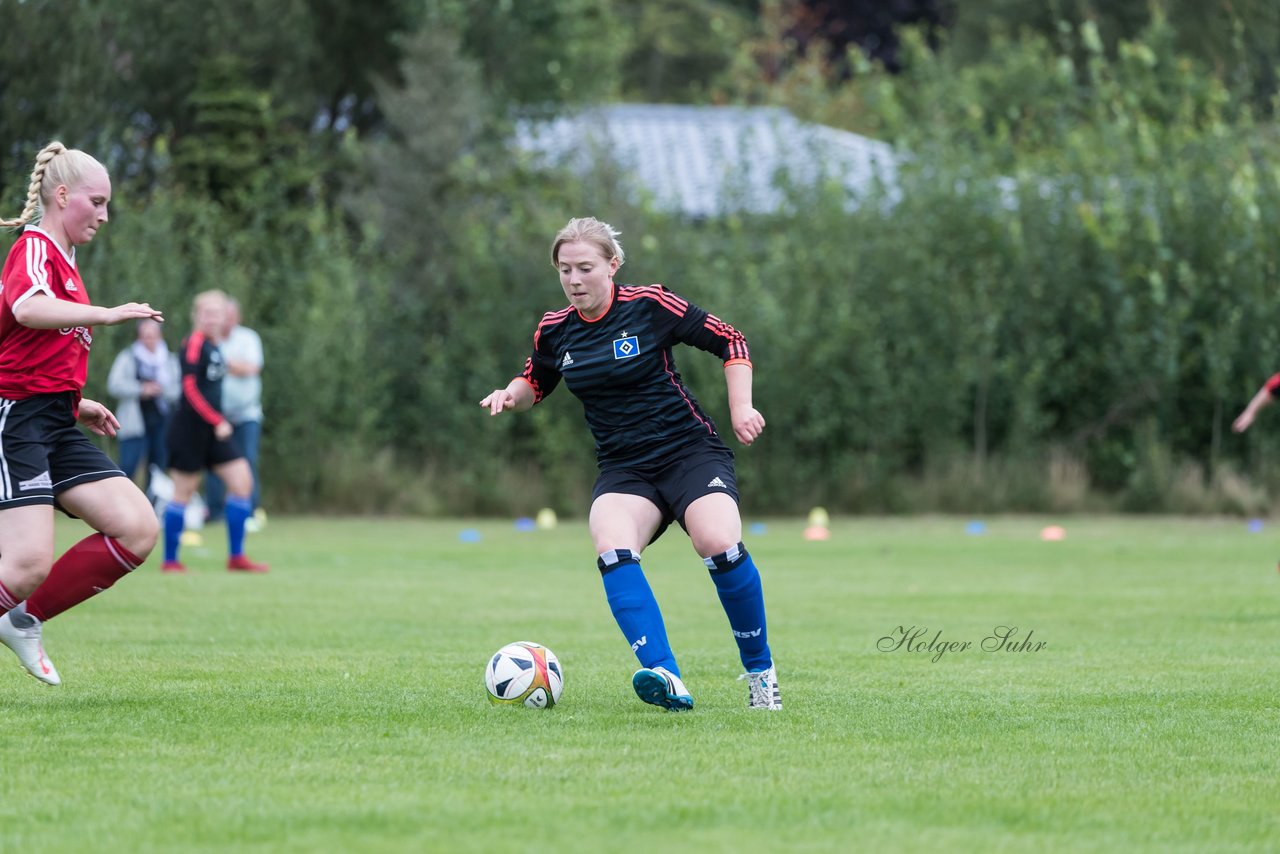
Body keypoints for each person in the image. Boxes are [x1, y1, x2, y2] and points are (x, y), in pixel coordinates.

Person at [480, 217, 780, 711]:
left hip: (688, 452)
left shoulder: (649, 304)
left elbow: (730, 339)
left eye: (585, 268)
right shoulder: (555, 330)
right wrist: (508, 397)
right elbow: (534, 380)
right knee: (611, 546)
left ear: (612, 265)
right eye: (564, 270)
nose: (574, 280)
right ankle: (667, 676)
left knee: (719, 542)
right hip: (625, 469)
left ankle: (760, 674)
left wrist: (742, 407)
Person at [0, 141, 164, 685]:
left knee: (138, 528)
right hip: (17, 421)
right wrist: (108, 313)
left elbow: (34, 349)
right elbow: (27, 308)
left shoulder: (65, 261)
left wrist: (78, 401)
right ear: (62, 194)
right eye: (96, 202)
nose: (104, 215)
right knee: (26, 566)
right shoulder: (35, 247)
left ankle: (23, 622)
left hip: (54, 420)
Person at [161, 289, 268, 574]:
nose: (212, 319)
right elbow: (189, 388)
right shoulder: (194, 344)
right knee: (183, 492)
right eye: (206, 313)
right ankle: (170, 561)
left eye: (217, 314)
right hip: (191, 430)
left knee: (242, 482)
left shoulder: (216, 345)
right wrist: (216, 419)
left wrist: (216, 422)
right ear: (196, 316)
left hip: (213, 432)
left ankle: (237, 557)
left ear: (225, 317)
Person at [204, 297, 264, 525]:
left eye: (230, 316)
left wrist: (225, 364)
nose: (225, 320)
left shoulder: (248, 338)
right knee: (214, 464)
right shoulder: (210, 341)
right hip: (218, 417)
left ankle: (249, 512)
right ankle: (215, 512)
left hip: (247, 415)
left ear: (237, 317)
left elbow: (252, 367)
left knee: (247, 461)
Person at [106, 318, 180, 492]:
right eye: (145, 336)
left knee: (157, 469)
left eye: (152, 336)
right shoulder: (128, 357)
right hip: (134, 423)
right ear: (139, 337)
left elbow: (179, 389)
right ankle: (121, 503)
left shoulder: (170, 360)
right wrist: (141, 389)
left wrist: (161, 389)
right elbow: (114, 385)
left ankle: (152, 507)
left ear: (159, 336)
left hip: (162, 422)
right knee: (128, 466)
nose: (149, 340)